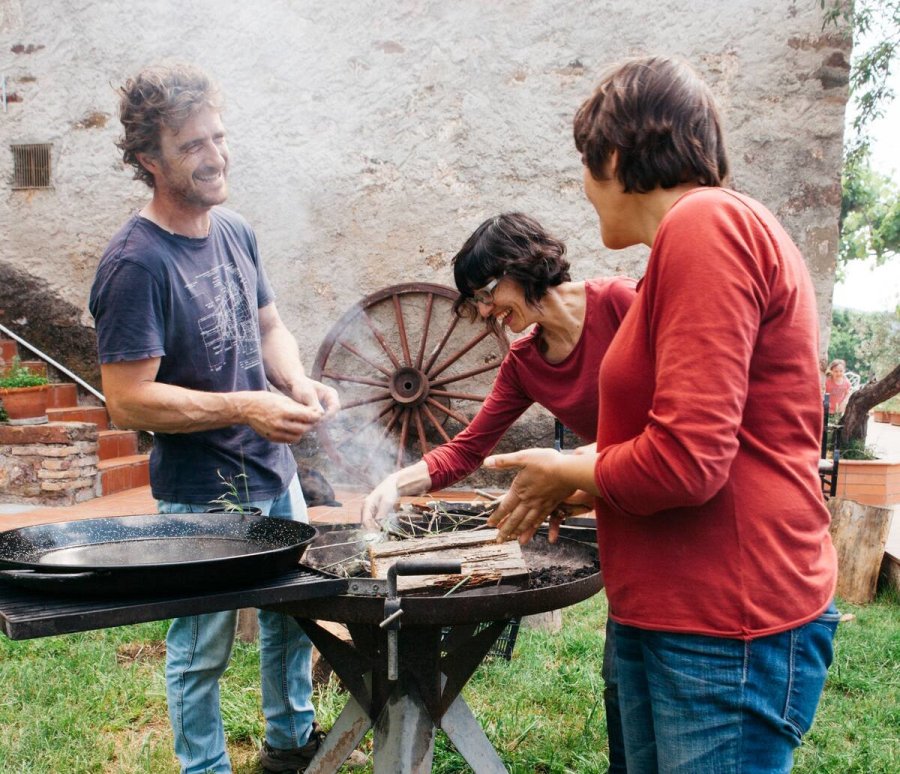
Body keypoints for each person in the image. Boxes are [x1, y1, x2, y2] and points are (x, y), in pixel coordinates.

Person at [484, 56, 839, 773]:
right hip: (670, 612)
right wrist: (589, 483)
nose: (583, 190)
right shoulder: (676, 253)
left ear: (613, 156)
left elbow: (688, 461)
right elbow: (708, 442)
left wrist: (570, 465)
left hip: (725, 622)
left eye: (585, 165)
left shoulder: (707, 222)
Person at [89, 62, 340, 774]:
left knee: (292, 622)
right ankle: (206, 769)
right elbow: (128, 398)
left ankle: (290, 746)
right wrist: (243, 407)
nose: (215, 156)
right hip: (202, 490)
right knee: (203, 647)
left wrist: (293, 381)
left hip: (273, 470)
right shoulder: (134, 264)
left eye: (218, 137)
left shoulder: (234, 232)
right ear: (148, 159)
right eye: (193, 145)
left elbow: (269, 329)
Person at [361, 210, 636, 771]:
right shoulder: (526, 360)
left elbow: (670, 421)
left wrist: (569, 470)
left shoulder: (626, 305)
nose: (486, 311)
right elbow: (467, 449)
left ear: (525, 265)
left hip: (647, 486)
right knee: (624, 687)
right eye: (477, 302)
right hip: (622, 504)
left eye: (487, 292)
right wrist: (398, 481)